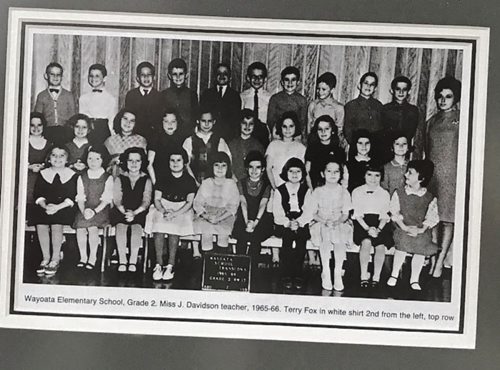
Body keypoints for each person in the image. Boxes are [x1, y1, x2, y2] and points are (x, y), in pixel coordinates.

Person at [423, 76, 461, 278]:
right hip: (433, 177)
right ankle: (431, 259)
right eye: (440, 97)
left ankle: (439, 263)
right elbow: (427, 152)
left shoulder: (462, 119)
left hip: (451, 178)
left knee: (447, 220)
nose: (443, 100)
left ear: (456, 98)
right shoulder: (431, 121)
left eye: (448, 96)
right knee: (434, 220)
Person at [145, 148, 197, 281]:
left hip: (182, 209)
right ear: (168, 162)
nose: (175, 163)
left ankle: (170, 265)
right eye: (172, 160)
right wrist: (163, 211)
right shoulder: (162, 177)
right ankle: (158, 264)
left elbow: (189, 202)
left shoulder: (189, 180)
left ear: (184, 162)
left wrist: (175, 213)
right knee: (158, 224)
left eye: (179, 160)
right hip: (163, 206)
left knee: (174, 227)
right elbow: (157, 199)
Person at [388, 160, 438, 291]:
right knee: (403, 241)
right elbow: (394, 211)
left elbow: (432, 216)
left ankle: (414, 278)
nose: (406, 175)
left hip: (420, 230)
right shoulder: (399, 193)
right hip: (402, 227)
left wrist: (421, 230)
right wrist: (403, 227)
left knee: (421, 245)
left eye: (410, 173)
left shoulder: (429, 197)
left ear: (421, 178)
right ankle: (394, 274)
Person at [265, 111, 306, 266]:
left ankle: (293, 258)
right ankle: (275, 254)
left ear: (296, 128)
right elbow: (268, 168)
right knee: (276, 219)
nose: (288, 130)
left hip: (293, 187)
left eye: (291, 126)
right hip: (277, 186)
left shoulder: (300, 147)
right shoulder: (273, 145)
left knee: (292, 219)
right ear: (279, 128)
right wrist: (276, 188)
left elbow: (302, 170)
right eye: (284, 126)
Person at [30, 146, 78, 276]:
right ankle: (45, 258)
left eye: (62, 155)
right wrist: (45, 206)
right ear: (49, 159)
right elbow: (38, 194)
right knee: (40, 221)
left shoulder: (72, 175)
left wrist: (57, 207)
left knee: (57, 222)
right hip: (46, 207)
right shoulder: (43, 173)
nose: (58, 158)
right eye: (54, 155)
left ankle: (55, 258)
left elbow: (72, 197)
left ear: (67, 159)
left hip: (64, 208)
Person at [307, 157, 352, 291]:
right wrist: (324, 221)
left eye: (336, 172)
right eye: (329, 171)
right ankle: (325, 271)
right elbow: (313, 213)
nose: (333, 174)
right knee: (325, 236)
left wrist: (337, 222)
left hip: (339, 222)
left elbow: (345, 214)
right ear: (323, 173)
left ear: (340, 174)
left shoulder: (344, 192)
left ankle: (337, 272)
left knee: (340, 237)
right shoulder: (318, 191)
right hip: (321, 222)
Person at [272, 157, 312, 291]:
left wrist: (299, 222)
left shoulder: (306, 190)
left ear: (302, 174)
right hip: (284, 222)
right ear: (285, 172)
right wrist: (287, 223)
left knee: (301, 242)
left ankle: (298, 273)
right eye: (291, 171)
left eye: (298, 171)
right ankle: (286, 274)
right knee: (287, 243)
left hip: (300, 221)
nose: (294, 174)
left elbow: (308, 211)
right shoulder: (279, 190)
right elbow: (277, 212)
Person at [111, 147, 152, 272]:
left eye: (137, 161)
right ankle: (122, 260)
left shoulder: (146, 179)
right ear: (125, 162)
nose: (134, 164)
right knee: (121, 227)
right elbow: (117, 198)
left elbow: (146, 200)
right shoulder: (119, 178)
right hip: (121, 210)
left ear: (142, 162)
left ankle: (133, 261)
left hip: (139, 211)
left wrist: (134, 213)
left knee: (136, 227)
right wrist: (125, 211)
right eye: (130, 160)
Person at [351, 163, 392, 288]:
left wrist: (378, 229)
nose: (373, 179)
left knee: (380, 246)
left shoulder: (384, 193)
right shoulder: (357, 191)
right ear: (364, 176)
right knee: (366, 242)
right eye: (369, 175)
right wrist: (368, 229)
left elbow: (384, 214)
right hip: (362, 223)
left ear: (381, 177)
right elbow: (357, 214)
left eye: (377, 175)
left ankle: (376, 277)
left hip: (380, 223)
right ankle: (364, 276)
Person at [73, 145, 113, 270]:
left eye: (97, 159)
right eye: (90, 158)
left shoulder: (108, 177)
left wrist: (94, 211)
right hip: (84, 209)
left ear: (103, 160)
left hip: (100, 210)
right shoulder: (82, 176)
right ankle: (83, 257)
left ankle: (93, 257)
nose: (93, 162)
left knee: (92, 228)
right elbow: (80, 197)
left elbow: (107, 199)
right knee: (80, 228)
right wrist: (83, 211)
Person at [193, 152, 240, 253]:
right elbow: (198, 203)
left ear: (228, 168)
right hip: (207, 215)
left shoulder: (231, 184)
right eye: (216, 165)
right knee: (206, 232)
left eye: (223, 165)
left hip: (224, 216)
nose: (220, 169)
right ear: (211, 167)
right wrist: (206, 216)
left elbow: (233, 206)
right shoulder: (206, 183)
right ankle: (208, 263)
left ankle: (220, 262)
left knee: (223, 233)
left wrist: (219, 218)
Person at [233, 151, 273, 262]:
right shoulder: (240, 183)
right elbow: (243, 203)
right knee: (242, 238)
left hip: (260, 218)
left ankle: (253, 271)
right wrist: (247, 222)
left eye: (258, 167)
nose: (254, 171)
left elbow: (262, 204)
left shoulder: (266, 185)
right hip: (244, 216)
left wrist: (254, 223)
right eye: (251, 167)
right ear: (247, 168)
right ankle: (240, 268)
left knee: (256, 239)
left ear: (263, 169)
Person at [182, 109, 232, 184]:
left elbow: (228, 162)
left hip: (214, 184)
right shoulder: (189, 141)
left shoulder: (220, 141)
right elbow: (186, 165)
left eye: (209, 121)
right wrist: (194, 182)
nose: (206, 124)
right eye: (203, 121)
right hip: (195, 183)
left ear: (214, 122)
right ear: (198, 121)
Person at [34, 62, 76, 145]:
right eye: (52, 74)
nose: (55, 77)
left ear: (62, 77)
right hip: (47, 131)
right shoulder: (41, 95)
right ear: (46, 76)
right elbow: (38, 116)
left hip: (65, 131)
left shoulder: (68, 95)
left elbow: (72, 116)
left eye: (58, 74)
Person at [382, 76, 423, 160]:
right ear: (392, 91)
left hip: (404, 150)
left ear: (409, 91)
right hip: (387, 150)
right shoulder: (385, 109)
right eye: (398, 89)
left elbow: (411, 132)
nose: (401, 92)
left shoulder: (413, 110)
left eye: (404, 89)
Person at [344, 72, 384, 158]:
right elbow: (348, 130)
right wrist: (358, 146)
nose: (368, 87)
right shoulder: (351, 105)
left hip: (375, 149)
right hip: (357, 149)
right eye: (366, 83)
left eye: (372, 84)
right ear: (359, 85)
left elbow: (381, 129)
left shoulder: (379, 106)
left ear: (375, 88)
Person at [200, 62, 242, 141]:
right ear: (215, 76)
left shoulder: (235, 96)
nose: (222, 76)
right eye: (219, 73)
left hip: (228, 136)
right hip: (210, 135)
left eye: (225, 73)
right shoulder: (207, 94)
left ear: (230, 77)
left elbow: (236, 120)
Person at [124, 61, 165, 142]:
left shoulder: (160, 96)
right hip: (134, 137)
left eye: (149, 75)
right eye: (143, 75)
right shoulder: (131, 95)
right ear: (138, 78)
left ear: (154, 77)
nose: (146, 78)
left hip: (154, 137)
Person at [307, 72, 347, 151]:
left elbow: (339, 131)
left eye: (324, 89)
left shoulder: (338, 108)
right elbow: (309, 127)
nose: (320, 92)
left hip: (332, 145)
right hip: (315, 145)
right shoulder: (313, 105)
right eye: (318, 89)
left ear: (332, 90)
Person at [79, 63, 118, 145]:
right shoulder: (83, 98)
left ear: (104, 78)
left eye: (97, 76)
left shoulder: (110, 98)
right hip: (88, 129)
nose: (93, 78)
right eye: (91, 76)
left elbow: (111, 120)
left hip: (103, 130)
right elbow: (82, 118)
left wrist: (112, 137)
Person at [305, 114, 346, 189]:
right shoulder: (312, 149)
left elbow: (343, 173)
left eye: (326, 129)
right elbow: (306, 172)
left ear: (332, 130)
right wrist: (311, 190)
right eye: (320, 129)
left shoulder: (339, 150)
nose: (323, 132)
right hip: (315, 188)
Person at [267, 66, 307, 140]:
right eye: (286, 80)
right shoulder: (275, 98)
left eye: (293, 80)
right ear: (282, 82)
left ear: (298, 82)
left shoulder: (302, 100)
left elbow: (303, 122)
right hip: (278, 135)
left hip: (295, 136)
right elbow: (270, 120)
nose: (290, 83)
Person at [26, 112, 53, 226]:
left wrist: (43, 166)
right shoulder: (23, 142)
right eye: (32, 125)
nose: (36, 128)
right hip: (27, 180)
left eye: (39, 125)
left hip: (43, 181)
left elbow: (52, 162)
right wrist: (28, 167)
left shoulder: (49, 144)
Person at [162, 58, 199, 139]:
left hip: (186, 135)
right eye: (175, 74)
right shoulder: (164, 94)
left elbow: (194, 116)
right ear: (169, 76)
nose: (178, 77)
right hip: (168, 135)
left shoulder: (192, 94)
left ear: (186, 75)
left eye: (181, 74)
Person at [104, 108, 147, 177]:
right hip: (112, 177)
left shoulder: (141, 141)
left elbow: (143, 164)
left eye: (132, 121)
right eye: (125, 119)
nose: (128, 123)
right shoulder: (109, 140)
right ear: (120, 119)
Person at [147, 110, 184, 185]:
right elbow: (149, 165)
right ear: (161, 122)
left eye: (173, 121)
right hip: (159, 179)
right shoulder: (155, 139)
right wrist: (156, 184)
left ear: (178, 122)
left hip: (177, 179)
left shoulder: (182, 138)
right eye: (166, 121)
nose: (170, 124)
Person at [240, 62, 271, 146]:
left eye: (260, 77)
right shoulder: (242, 97)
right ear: (248, 78)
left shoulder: (270, 98)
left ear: (265, 79)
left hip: (263, 136)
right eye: (254, 77)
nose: (257, 80)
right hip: (247, 135)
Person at [228, 109, 265, 180]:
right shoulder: (232, 144)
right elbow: (229, 166)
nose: (247, 126)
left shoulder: (258, 146)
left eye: (251, 124)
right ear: (239, 124)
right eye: (244, 123)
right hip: (234, 181)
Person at [381, 132, 410, 196]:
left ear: (408, 147)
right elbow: (384, 190)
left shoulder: (412, 165)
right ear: (392, 147)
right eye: (397, 144)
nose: (401, 146)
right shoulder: (386, 167)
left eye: (404, 144)